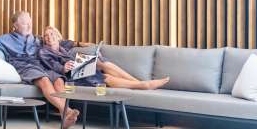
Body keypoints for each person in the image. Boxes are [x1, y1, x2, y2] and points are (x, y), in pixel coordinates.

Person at [0, 10, 81, 127]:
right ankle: (67, 111)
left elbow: (60, 42)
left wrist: (78, 43)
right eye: (24, 23)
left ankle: (64, 117)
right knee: (44, 80)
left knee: (59, 79)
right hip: (25, 66)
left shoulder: (37, 39)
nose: (29, 26)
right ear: (15, 26)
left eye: (30, 22)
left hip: (41, 65)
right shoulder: (6, 39)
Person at [39, 26, 169, 90]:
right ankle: (143, 85)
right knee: (106, 78)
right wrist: (63, 67)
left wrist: (91, 46)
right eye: (46, 35)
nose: (49, 37)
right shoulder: (44, 51)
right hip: (69, 75)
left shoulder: (63, 45)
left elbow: (76, 43)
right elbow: (50, 64)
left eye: (51, 34)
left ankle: (139, 83)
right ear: (44, 39)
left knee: (103, 64)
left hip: (79, 67)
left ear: (57, 36)